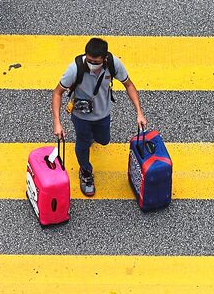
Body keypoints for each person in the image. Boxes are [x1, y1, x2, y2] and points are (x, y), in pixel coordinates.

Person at [52, 37, 147, 197]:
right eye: (89, 60)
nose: (92, 64)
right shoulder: (75, 68)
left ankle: (90, 138)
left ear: (105, 58)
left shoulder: (113, 64)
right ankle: (86, 172)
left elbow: (129, 85)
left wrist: (139, 112)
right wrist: (57, 122)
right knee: (82, 142)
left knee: (103, 140)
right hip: (80, 115)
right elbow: (57, 93)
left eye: (96, 62)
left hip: (103, 113)